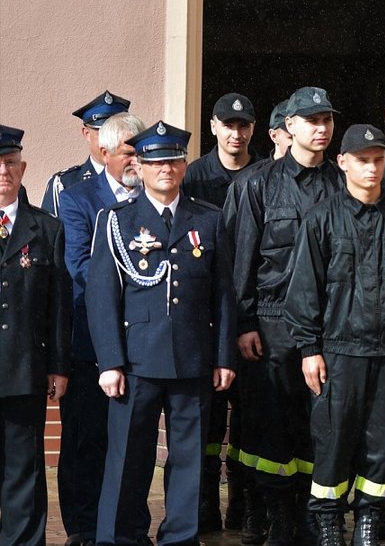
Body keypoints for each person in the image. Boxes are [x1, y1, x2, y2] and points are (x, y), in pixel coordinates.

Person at [86, 120, 236, 546]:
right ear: (140, 166)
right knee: (128, 458)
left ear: (185, 165)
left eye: (173, 161)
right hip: (136, 361)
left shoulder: (208, 219)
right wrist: (110, 362)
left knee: (189, 461)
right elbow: (102, 297)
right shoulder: (117, 221)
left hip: (192, 357)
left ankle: (180, 537)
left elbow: (223, 294)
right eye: (156, 162)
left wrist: (223, 356)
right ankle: (120, 537)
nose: (165, 169)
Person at [283, 124, 385, 546]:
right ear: (343, 162)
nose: (372, 168)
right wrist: (309, 349)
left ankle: (369, 521)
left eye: (378, 160)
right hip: (337, 353)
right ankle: (329, 523)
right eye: (362, 160)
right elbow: (304, 290)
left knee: (382, 446)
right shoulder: (322, 219)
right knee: (333, 442)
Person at [228, 87, 344, 545]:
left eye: (327, 120)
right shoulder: (256, 184)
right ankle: (273, 512)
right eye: (312, 120)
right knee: (270, 425)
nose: (321, 128)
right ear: (289, 126)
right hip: (271, 321)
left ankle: (311, 514)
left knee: (320, 423)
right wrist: (244, 323)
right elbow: (242, 260)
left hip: (329, 323)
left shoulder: (343, 183)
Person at [56, 112, 154, 546]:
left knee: (134, 442)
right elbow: (78, 266)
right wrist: (136, 290)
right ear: (105, 151)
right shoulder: (78, 199)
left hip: (141, 341)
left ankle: (129, 526)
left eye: (142, 152)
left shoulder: (153, 196)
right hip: (91, 340)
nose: (138, 160)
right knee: (86, 439)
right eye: (131, 152)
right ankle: (82, 526)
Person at [183, 91, 261, 535]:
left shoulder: (264, 175)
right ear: (213, 126)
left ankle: (243, 507)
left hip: (251, 316)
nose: (236, 133)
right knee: (207, 422)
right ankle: (205, 509)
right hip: (207, 317)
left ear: (253, 128)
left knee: (248, 421)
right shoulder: (193, 177)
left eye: (243, 125)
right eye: (228, 125)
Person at [0, 124, 72, 546]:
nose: (4, 172)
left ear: (23, 168)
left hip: (24, 368)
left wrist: (58, 366)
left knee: (24, 469)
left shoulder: (46, 229)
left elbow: (59, 305)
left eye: (11, 163)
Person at [41, 91, 130, 217]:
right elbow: (51, 229)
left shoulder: (142, 178)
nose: (111, 142)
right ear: (86, 134)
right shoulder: (65, 183)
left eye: (117, 133)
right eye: (104, 133)